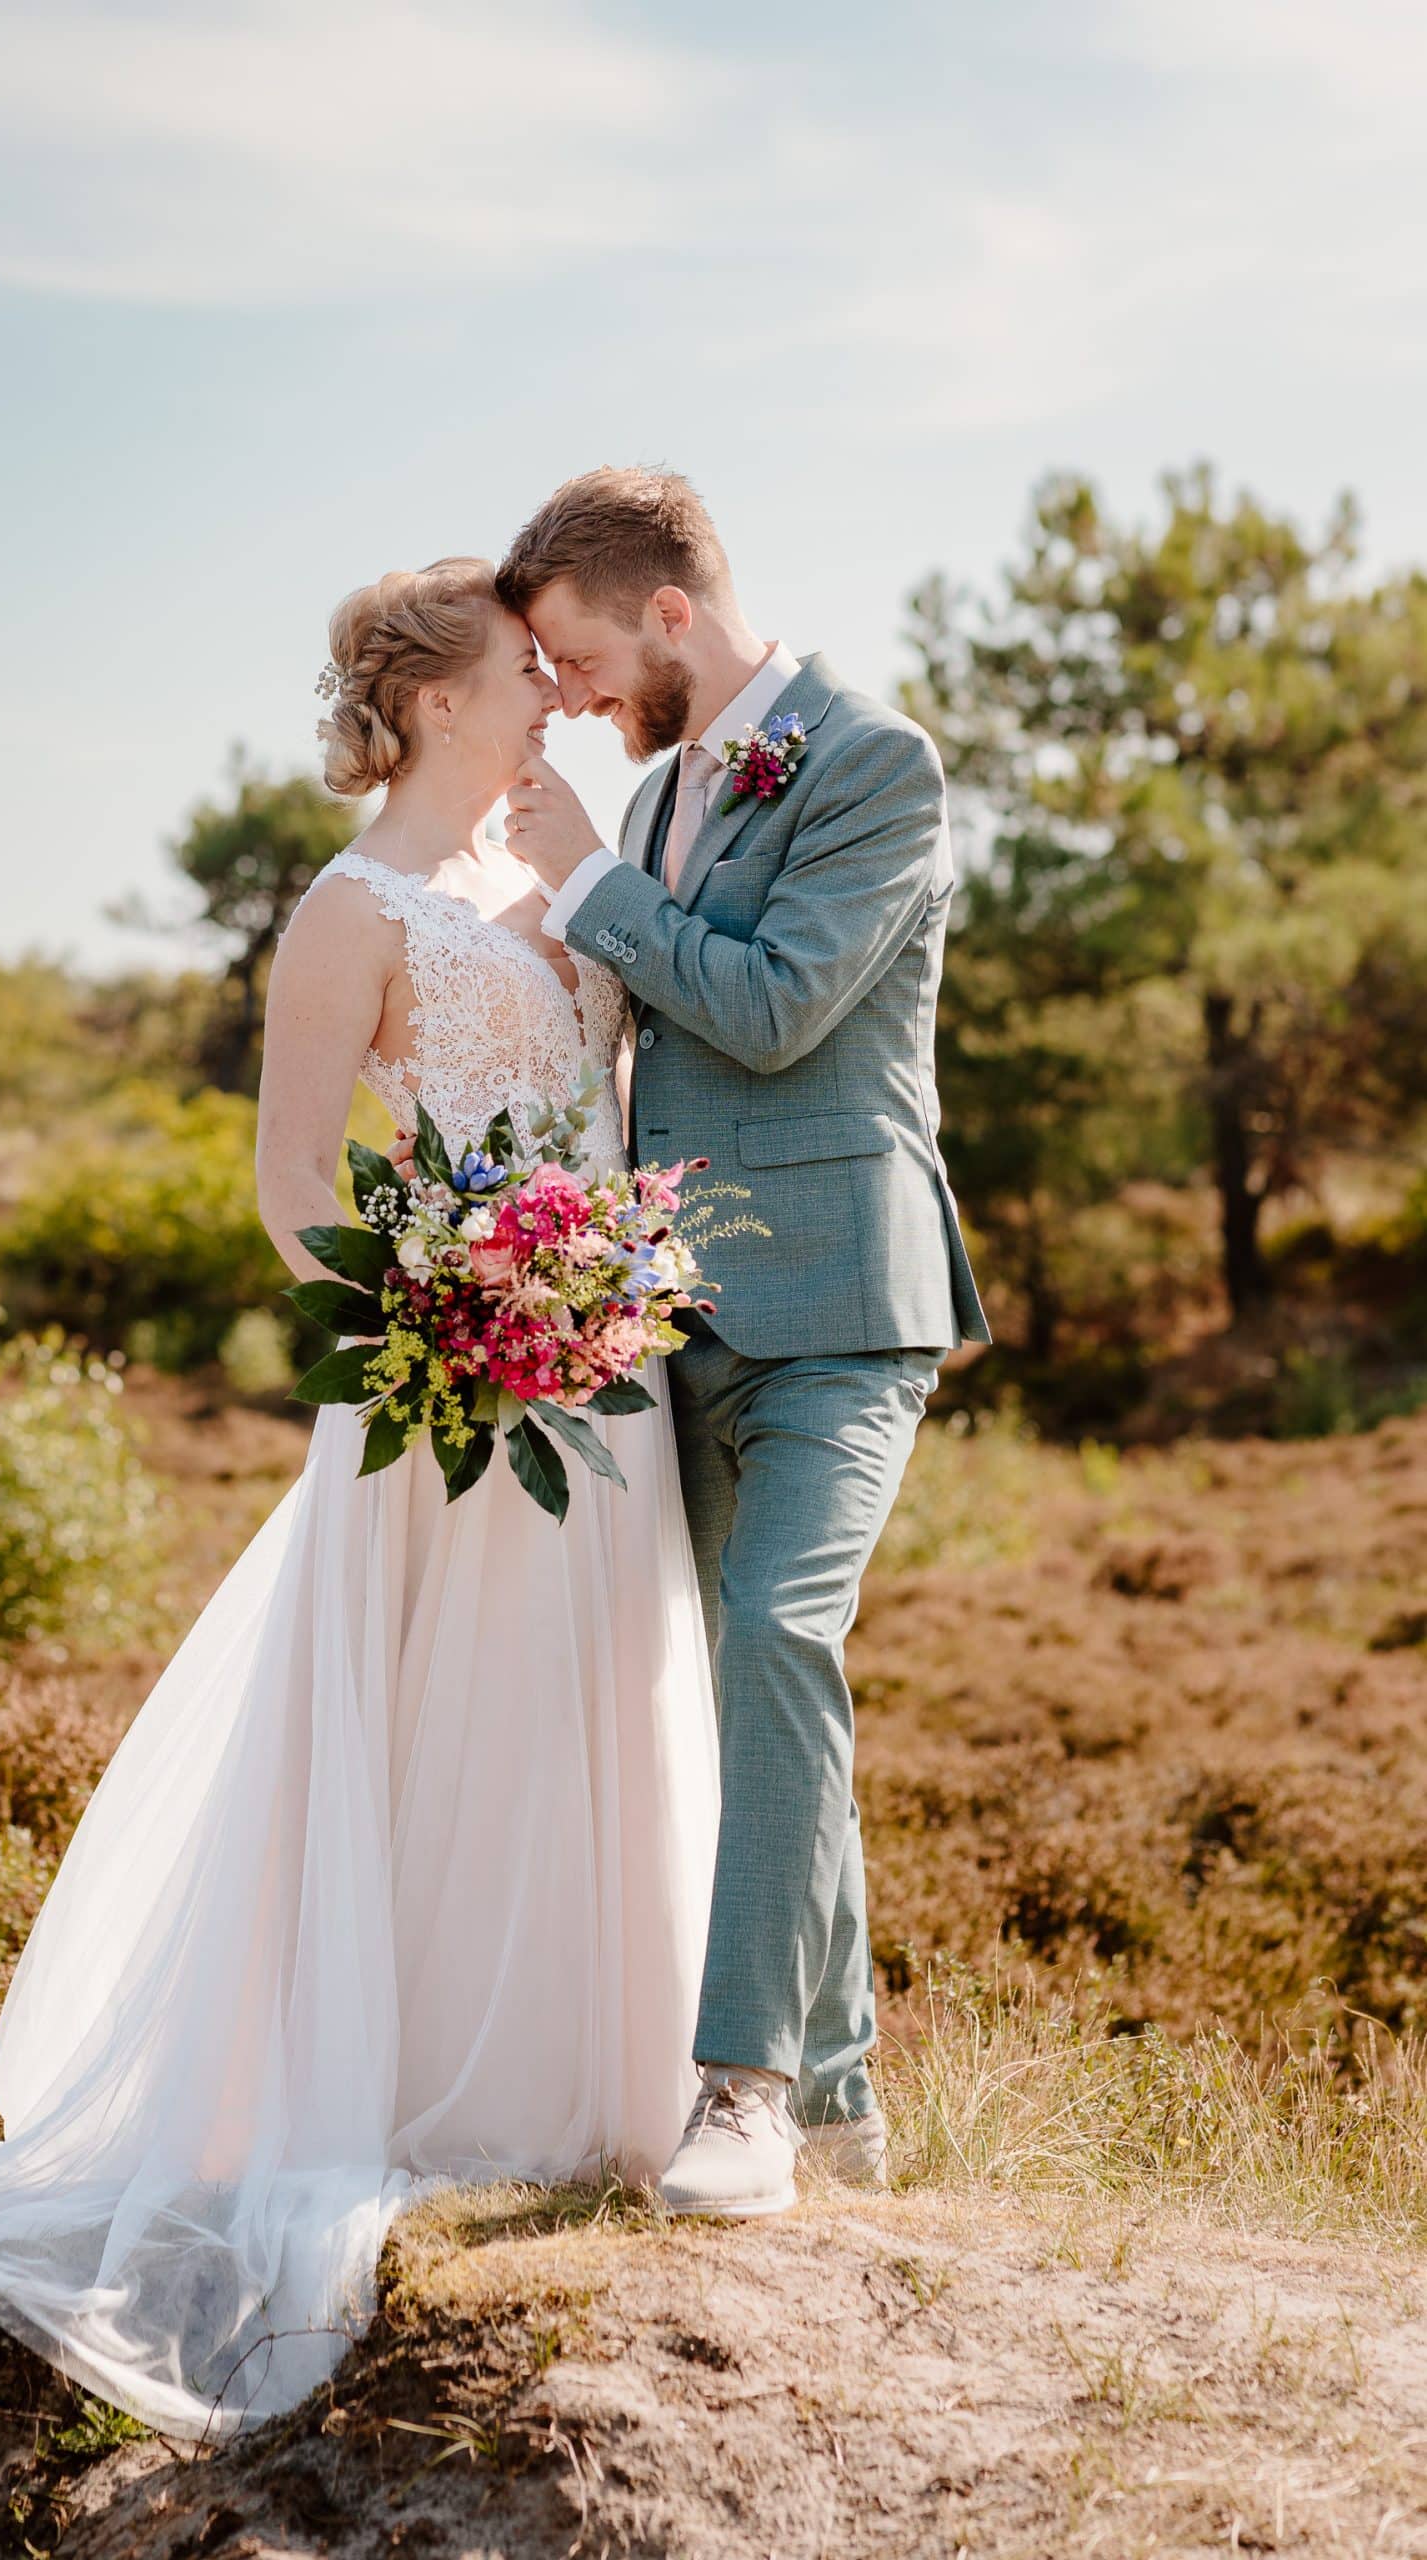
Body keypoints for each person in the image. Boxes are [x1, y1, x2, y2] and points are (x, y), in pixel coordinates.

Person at [0, 555, 721, 2441]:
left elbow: (618, 1104)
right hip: (463, 1389)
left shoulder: (564, 875)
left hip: (613, 1377)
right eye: (525, 664)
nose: (554, 683)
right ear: (435, 703)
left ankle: (605, 2096)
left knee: (588, 1705)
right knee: (441, 1726)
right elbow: (290, 1189)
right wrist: (460, 1317)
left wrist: (586, 1297)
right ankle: (438, 2094)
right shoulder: (351, 912)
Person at [491, 467, 991, 2220]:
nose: (567, 698)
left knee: (782, 1629)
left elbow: (776, 1010)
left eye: (575, 656)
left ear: (671, 615)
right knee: (734, 1685)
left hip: (849, 1306)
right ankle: (849, 2090)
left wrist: (582, 884)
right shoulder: (673, 797)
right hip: (674, 1314)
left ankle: (748, 2096)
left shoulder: (875, 762)